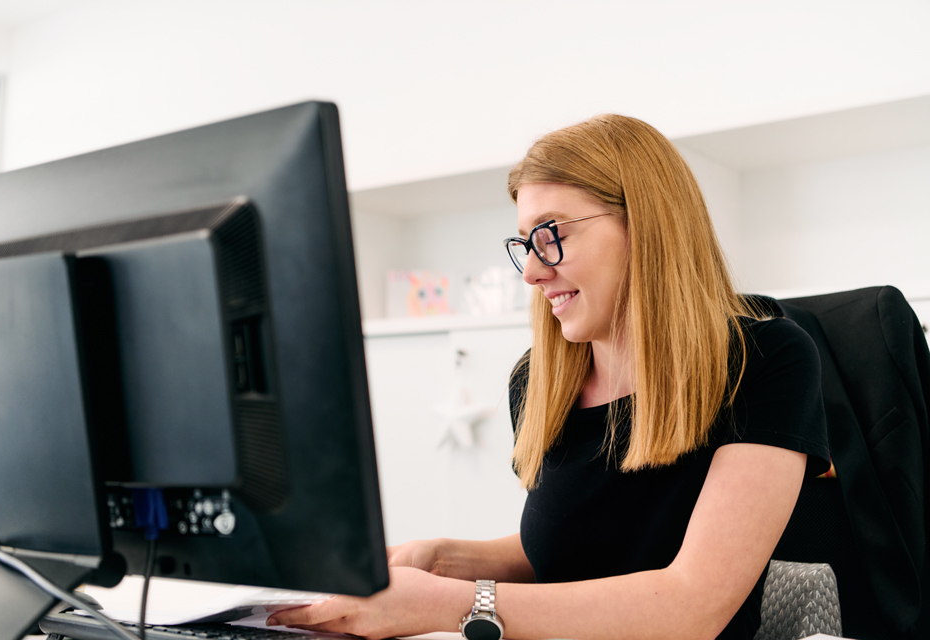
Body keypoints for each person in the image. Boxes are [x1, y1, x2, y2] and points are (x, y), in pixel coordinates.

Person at [266, 114, 830, 640]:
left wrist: (447, 603)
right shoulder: (540, 382)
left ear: (647, 225)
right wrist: (441, 559)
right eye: (525, 243)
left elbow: (692, 606)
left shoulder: (766, 361)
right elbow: (572, 551)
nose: (532, 272)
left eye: (551, 232)